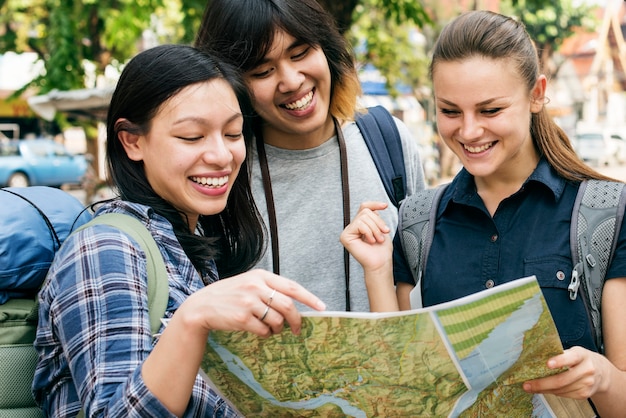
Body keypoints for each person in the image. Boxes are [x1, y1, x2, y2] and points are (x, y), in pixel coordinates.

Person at [341, 10, 626, 417]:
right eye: (451, 111)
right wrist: (376, 270)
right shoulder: (417, 222)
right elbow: (403, 392)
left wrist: (602, 377)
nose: (469, 131)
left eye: (490, 110)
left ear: (536, 94)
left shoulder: (607, 214)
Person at [32, 44, 326, 417]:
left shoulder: (190, 246)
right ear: (132, 141)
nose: (221, 155)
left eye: (233, 134)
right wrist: (192, 319)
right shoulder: (106, 249)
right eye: (192, 136)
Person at [195, 0, 426, 312]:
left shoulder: (388, 141)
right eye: (263, 71)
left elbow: (420, 288)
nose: (291, 81)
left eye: (300, 53)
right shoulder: (222, 171)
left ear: (326, 49)